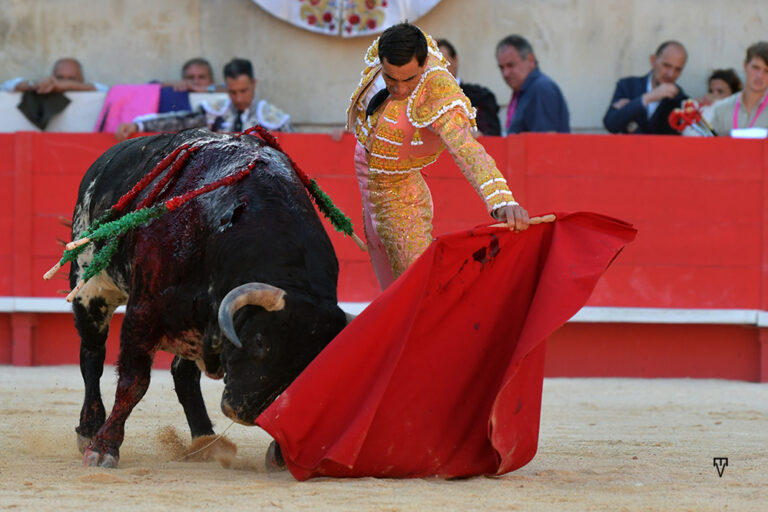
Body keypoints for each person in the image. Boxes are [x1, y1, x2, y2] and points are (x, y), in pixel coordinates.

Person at [347, 22, 530, 290]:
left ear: (422, 66)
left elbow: (467, 149)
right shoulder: (384, 53)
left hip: (400, 193)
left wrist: (503, 201)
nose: (398, 90)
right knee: (387, 281)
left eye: (409, 79)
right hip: (366, 173)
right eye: (391, 79)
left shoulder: (439, 90)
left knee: (418, 290)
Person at [115, 58, 293, 140]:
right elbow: (178, 121)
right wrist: (138, 126)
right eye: (232, 92)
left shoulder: (273, 119)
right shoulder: (216, 111)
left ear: (254, 84)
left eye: (243, 91)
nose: (238, 98)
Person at [603, 41, 688, 135]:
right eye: (666, 65)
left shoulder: (681, 100)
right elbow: (610, 125)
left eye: (678, 69)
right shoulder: (627, 86)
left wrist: (630, 119)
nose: (671, 74)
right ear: (653, 60)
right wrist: (647, 98)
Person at [495, 35, 570, 135]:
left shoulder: (541, 89)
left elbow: (545, 142)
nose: (505, 73)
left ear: (530, 60)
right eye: (501, 68)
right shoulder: (524, 91)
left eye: (510, 65)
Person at [436, 38, 501, 136]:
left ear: (455, 60)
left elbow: (492, 140)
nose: (436, 70)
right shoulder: (417, 104)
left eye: (441, 63)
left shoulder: (481, 97)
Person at [708, 41, 768, 136]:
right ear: (745, 66)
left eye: (766, 71)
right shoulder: (721, 109)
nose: (760, 75)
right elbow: (710, 146)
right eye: (756, 67)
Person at [1, 58, 108, 93]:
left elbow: (105, 90)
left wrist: (67, 86)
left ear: (82, 79)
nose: (64, 82)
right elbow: (5, 87)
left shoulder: (92, 91)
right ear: (52, 77)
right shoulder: (46, 87)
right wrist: (32, 85)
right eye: (60, 78)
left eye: (71, 79)